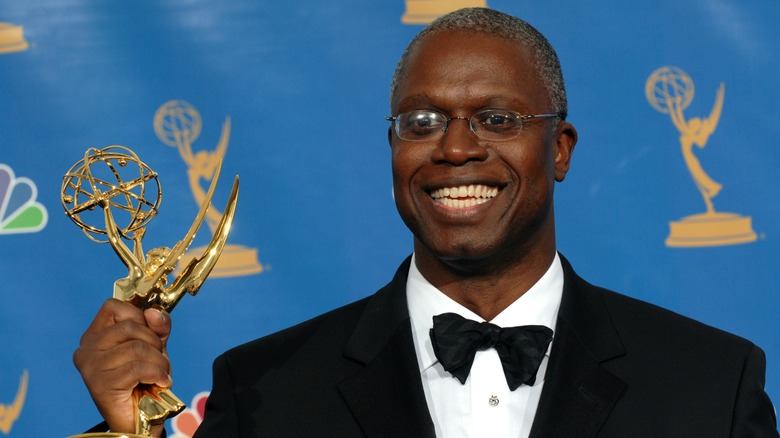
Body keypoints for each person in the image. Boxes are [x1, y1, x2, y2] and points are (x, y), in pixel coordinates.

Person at [74, 7, 779, 437]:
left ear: (559, 150)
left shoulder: (709, 384)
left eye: (496, 118)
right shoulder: (264, 391)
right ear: (393, 147)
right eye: (423, 121)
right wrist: (124, 431)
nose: (456, 147)